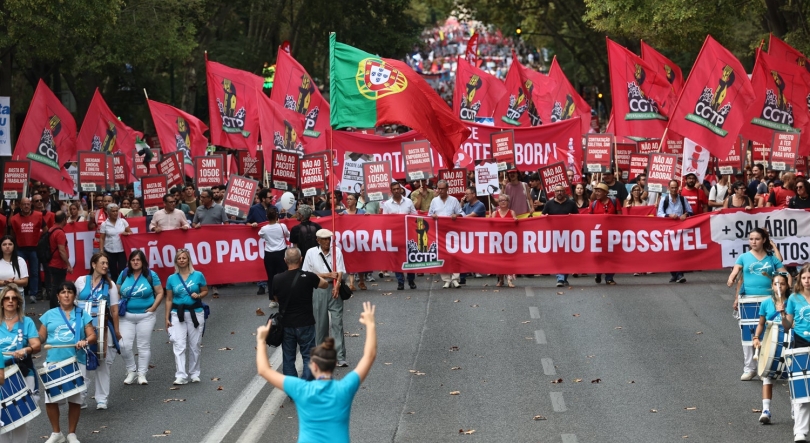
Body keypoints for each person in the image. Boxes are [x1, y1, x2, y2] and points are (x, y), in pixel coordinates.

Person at [255, 301, 377, 443]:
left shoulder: (300, 389)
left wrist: (261, 340)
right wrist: (370, 325)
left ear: (313, 366)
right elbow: (369, 356)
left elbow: (263, 370)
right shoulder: (344, 388)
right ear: (333, 365)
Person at [727, 227, 790, 381]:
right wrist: (732, 279)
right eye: (751, 239)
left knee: (767, 334)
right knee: (748, 335)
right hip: (747, 299)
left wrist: (786, 292)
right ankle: (749, 368)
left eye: (756, 239)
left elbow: (785, 274)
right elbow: (737, 274)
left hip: (768, 299)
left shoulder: (771, 259)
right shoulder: (743, 257)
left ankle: (764, 368)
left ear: (763, 241)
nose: (753, 242)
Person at [38, 281, 96, 443]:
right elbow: (41, 337)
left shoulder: (82, 314)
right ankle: (56, 433)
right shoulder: (49, 315)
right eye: (62, 292)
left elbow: (92, 336)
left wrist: (85, 340)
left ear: (74, 295)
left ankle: (71, 433)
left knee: (75, 398)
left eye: (69, 292)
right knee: (51, 399)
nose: (66, 295)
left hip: (77, 360)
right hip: (53, 361)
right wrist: (34, 341)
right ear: (57, 296)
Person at [272, 247, 329, 380]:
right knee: (308, 356)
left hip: (286, 324)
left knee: (288, 358)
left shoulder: (277, 279)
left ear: (285, 260)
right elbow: (325, 284)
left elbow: (276, 298)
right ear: (301, 259)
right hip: (306, 322)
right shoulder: (309, 277)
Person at [74, 253, 120, 410]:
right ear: (93, 265)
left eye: (107, 263)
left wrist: (117, 331)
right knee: (81, 361)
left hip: (103, 328)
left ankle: (102, 399)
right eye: (102, 263)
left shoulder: (111, 285)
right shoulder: (81, 281)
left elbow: (114, 309)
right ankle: (81, 397)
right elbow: (73, 303)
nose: (106, 266)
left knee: (103, 363)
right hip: (82, 328)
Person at [0, 283, 42, 443]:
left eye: (14, 298)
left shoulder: (27, 322)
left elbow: (36, 345)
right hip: (0, 372)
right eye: (7, 298)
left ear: (18, 302)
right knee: (1, 421)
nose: (10, 301)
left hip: (22, 372)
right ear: (2, 301)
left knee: (21, 419)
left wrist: (25, 350)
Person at [116, 250, 163, 386]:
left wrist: (153, 308)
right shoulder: (124, 274)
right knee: (123, 345)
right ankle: (131, 370)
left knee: (143, 345)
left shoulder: (150, 275)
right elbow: (117, 292)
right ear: (129, 262)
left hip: (146, 316)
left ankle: (142, 373)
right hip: (126, 316)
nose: (135, 262)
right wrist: (118, 306)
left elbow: (160, 292)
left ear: (143, 262)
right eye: (133, 260)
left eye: (138, 260)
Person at [302, 229, 348, 367]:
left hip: (334, 288)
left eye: (329, 238)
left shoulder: (336, 251)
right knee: (320, 324)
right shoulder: (311, 253)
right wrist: (327, 275)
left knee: (337, 323)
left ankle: (340, 356)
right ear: (318, 240)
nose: (327, 241)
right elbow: (307, 274)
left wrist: (337, 285)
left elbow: (340, 270)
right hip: (318, 289)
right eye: (324, 239)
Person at [751, 273, 790, 425]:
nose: (779, 286)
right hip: (771, 341)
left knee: (791, 376)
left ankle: (795, 407)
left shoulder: (793, 301)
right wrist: (756, 338)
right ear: (772, 286)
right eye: (775, 284)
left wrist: (784, 312)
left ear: (787, 286)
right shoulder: (766, 303)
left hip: (788, 339)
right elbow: (761, 323)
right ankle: (766, 410)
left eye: (782, 284)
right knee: (767, 375)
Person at [165, 248, 208, 385]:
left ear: (188, 259)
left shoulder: (198, 275)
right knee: (179, 343)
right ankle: (181, 375)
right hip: (177, 313)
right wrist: (166, 318)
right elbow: (169, 299)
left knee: (195, 344)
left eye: (184, 258)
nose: (182, 260)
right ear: (176, 261)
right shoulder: (171, 278)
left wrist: (199, 295)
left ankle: (195, 373)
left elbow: (205, 290)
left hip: (196, 312)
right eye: (179, 258)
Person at [783, 264, 810, 441]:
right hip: (800, 342)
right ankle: (800, 431)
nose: (808, 281)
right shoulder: (793, 298)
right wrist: (781, 313)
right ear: (799, 279)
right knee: (803, 391)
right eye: (805, 278)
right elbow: (787, 326)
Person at [381, 182, 417, 290]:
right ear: (391, 191)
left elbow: (415, 216)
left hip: (408, 234)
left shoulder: (409, 201)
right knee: (397, 258)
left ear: (401, 190)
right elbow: (384, 220)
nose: (397, 191)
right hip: (395, 235)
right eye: (394, 189)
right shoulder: (387, 204)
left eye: (398, 189)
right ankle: (400, 281)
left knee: (410, 257)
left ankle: (411, 280)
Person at [542, 184, 579, 287]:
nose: (559, 193)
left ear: (565, 192)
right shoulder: (549, 204)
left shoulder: (571, 204)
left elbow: (578, 217)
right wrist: (545, 217)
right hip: (554, 234)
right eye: (557, 191)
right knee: (558, 257)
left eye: (561, 191)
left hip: (568, 234)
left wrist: (572, 217)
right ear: (554, 193)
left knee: (567, 257)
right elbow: (542, 216)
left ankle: (564, 277)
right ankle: (560, 278)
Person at [429, 180, 463, 288]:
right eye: (439, 188)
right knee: (442, 255)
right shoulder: (434, 201)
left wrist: (456, 215)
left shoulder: (454, 200)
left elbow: (462, 213)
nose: (440, 191)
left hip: (453, 232)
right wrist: (433, 216)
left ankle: (455, 279)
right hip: (439, 232)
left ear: (447, 189)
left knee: (455, 255)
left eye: (442, 188)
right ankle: (446, 280)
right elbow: (429, 214)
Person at [254, 206, 290, 308]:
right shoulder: (282, 226)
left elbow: (260, 235)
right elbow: (287, 234)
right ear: (277, 216)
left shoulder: (264, 229)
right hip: (281, 253)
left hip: (269, 254)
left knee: (271, 277)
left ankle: (273, 299)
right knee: (284, 275)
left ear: (267, 217)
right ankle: (284, 297)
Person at [10, 197, 44, 304]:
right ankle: (19, 292)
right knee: (19, 272)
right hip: (20, 249)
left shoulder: (38, 216)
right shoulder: (14, 218)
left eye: (28, 204)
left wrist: (39, 239)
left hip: (34, 249)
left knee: (34, 272)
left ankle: (33, 294)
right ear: (20, 206)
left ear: (31, 205)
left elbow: (46, 230)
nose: (26, 206)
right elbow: (12, 234)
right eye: (24, 204)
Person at [590, 183, 621, 285]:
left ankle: (609, 277)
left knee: (611, 255)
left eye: (599, 191)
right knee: (598, 255)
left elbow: (620, 217)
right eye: (596, 191)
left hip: (612, 234)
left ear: (605, 193)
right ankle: (598, 272)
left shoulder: (614, 201)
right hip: (598, 235)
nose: (597, 193)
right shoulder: (593, 204)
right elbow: (588, 219)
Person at [247, 188, 275, 296]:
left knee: (271, 264)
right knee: (260, 262)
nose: (272, 199)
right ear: (263, 199)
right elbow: (247, 223)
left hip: (272, 240)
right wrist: (252, 224)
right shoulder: (254, 209)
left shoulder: (274, 208)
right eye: (270, 197)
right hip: (258, 240)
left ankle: (272, 285)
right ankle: (261, 285)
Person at [99, 203, 131, 285]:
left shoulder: (123, 222)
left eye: (117, 211)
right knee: (113, 271)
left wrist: (126, 233)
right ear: (108, 213)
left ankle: (123, 285)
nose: (115, 213)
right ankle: (115, 287)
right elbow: (102, 238)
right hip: (110, 250)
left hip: (121, 250)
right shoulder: (104, 224)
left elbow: (130, 232)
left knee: (122, 270)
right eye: (113, 211)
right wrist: (101, 250)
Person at [46, 212, 73, 308]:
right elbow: (62, 250)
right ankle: (54, 307)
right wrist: (68, 265)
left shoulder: (52, 229)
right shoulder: (60, 232)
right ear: (64, 220)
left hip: (52, 262)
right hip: (58, 264)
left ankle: (54, 306)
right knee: (57, 286)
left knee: (55, 285)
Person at [491, 194, 516, 287]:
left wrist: (516, 220)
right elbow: (490, 226)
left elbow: (516, 224)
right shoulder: (494, 213)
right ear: (498, 203)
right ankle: (501, 279)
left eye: (505, 200)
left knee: (509, 260)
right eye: (501, 200)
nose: (503, 202)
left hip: (509, 240)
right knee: (499, 260)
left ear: (508, 202)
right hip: (498, 241)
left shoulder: (512, 212)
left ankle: (509, 279)